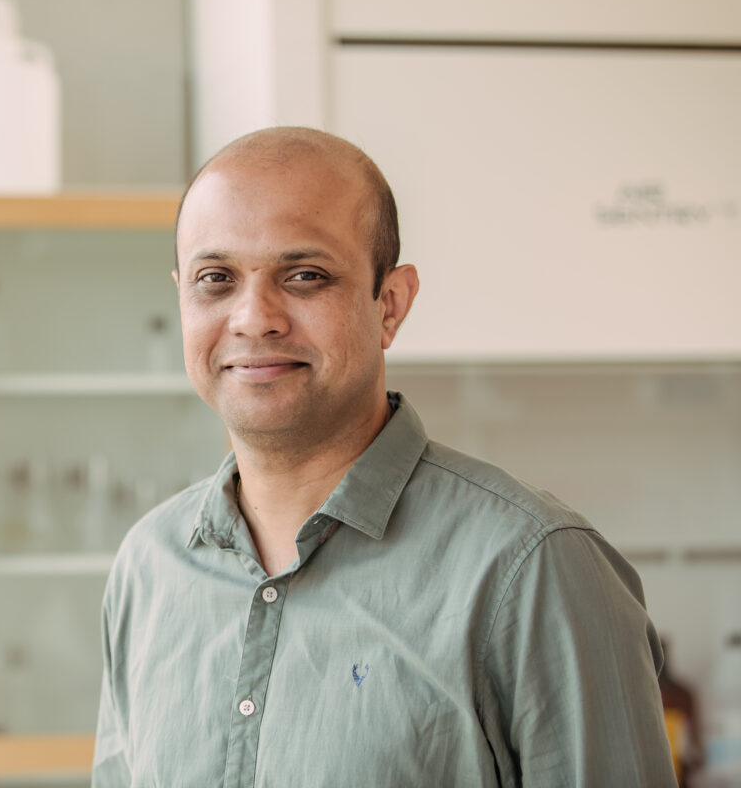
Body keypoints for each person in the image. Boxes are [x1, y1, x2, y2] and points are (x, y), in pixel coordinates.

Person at [92, 126, 676, 786]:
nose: (253, 317)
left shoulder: (534, 568)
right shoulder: (149, 567)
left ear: (390, 304)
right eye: (216, 278)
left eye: (305, 276)